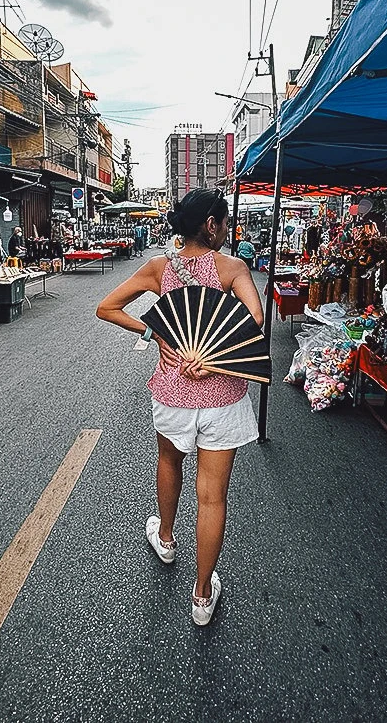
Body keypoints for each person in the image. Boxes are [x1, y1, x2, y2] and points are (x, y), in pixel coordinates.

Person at [95, 188, 263, 626]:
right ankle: (202, 594)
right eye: (224, 223)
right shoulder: (232, 268)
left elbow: (106, 307)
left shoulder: (158, 268)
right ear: (211, 224)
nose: (227, 231)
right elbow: (256, 320)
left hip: (172, 392)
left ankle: (166, 539)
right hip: (223, 394)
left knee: (169, 461)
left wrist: (156, 335)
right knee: (212, 498)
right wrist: (214, 356)